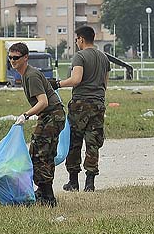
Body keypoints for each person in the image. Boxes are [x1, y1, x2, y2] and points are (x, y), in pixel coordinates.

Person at [54, 26, 110, 192]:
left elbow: (76, 79)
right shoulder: (104, 57)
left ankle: (73, 181)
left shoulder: (80, 56)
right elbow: (105, 84)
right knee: (93, 142)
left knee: (75, 141)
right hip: (98, 104)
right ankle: (90, 183)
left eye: (77, 39)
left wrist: (58, 84)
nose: (77, 43)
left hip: (80, 104)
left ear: (81, 39)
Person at [10, 42, 66, 207]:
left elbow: (43, 102)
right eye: (11, 57)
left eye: (16, 58)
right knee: (38, 153)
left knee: (42, 155)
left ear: (25, 58)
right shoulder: (25, 75)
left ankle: (48, 197)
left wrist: (26, 115)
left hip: (52, 115)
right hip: (49, 116)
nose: (13, 61)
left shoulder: (31, 75)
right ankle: (42, 191)